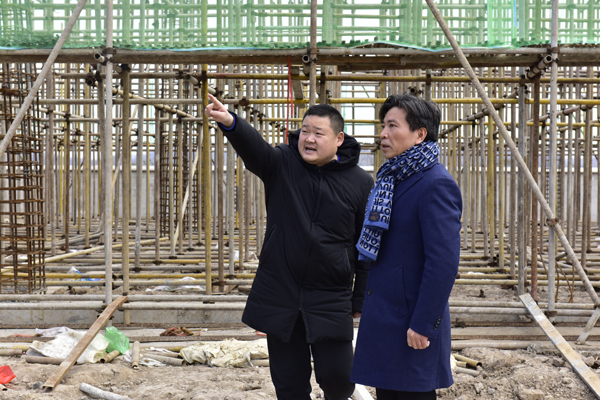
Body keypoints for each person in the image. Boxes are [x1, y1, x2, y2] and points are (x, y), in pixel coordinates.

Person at [205, 94, 374, 400]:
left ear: (338, 139)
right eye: (305, 131)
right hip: (281, 293)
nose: (309, 139)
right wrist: (231, 123)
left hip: (330, 295)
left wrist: (359, 297)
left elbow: (365, 246)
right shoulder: (282, 163)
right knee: (289, 384)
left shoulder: (360, 182)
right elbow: (256, 150)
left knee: (339, 378)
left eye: (318, 133)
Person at [350, 94, 462, 400]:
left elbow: (443, 263)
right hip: (386, 318)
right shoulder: (392, 178)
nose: (383, 134)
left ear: (420, 134)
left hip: (410, 323)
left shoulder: (435, 183)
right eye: (382, 126)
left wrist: (423, 324)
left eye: (392, 126)